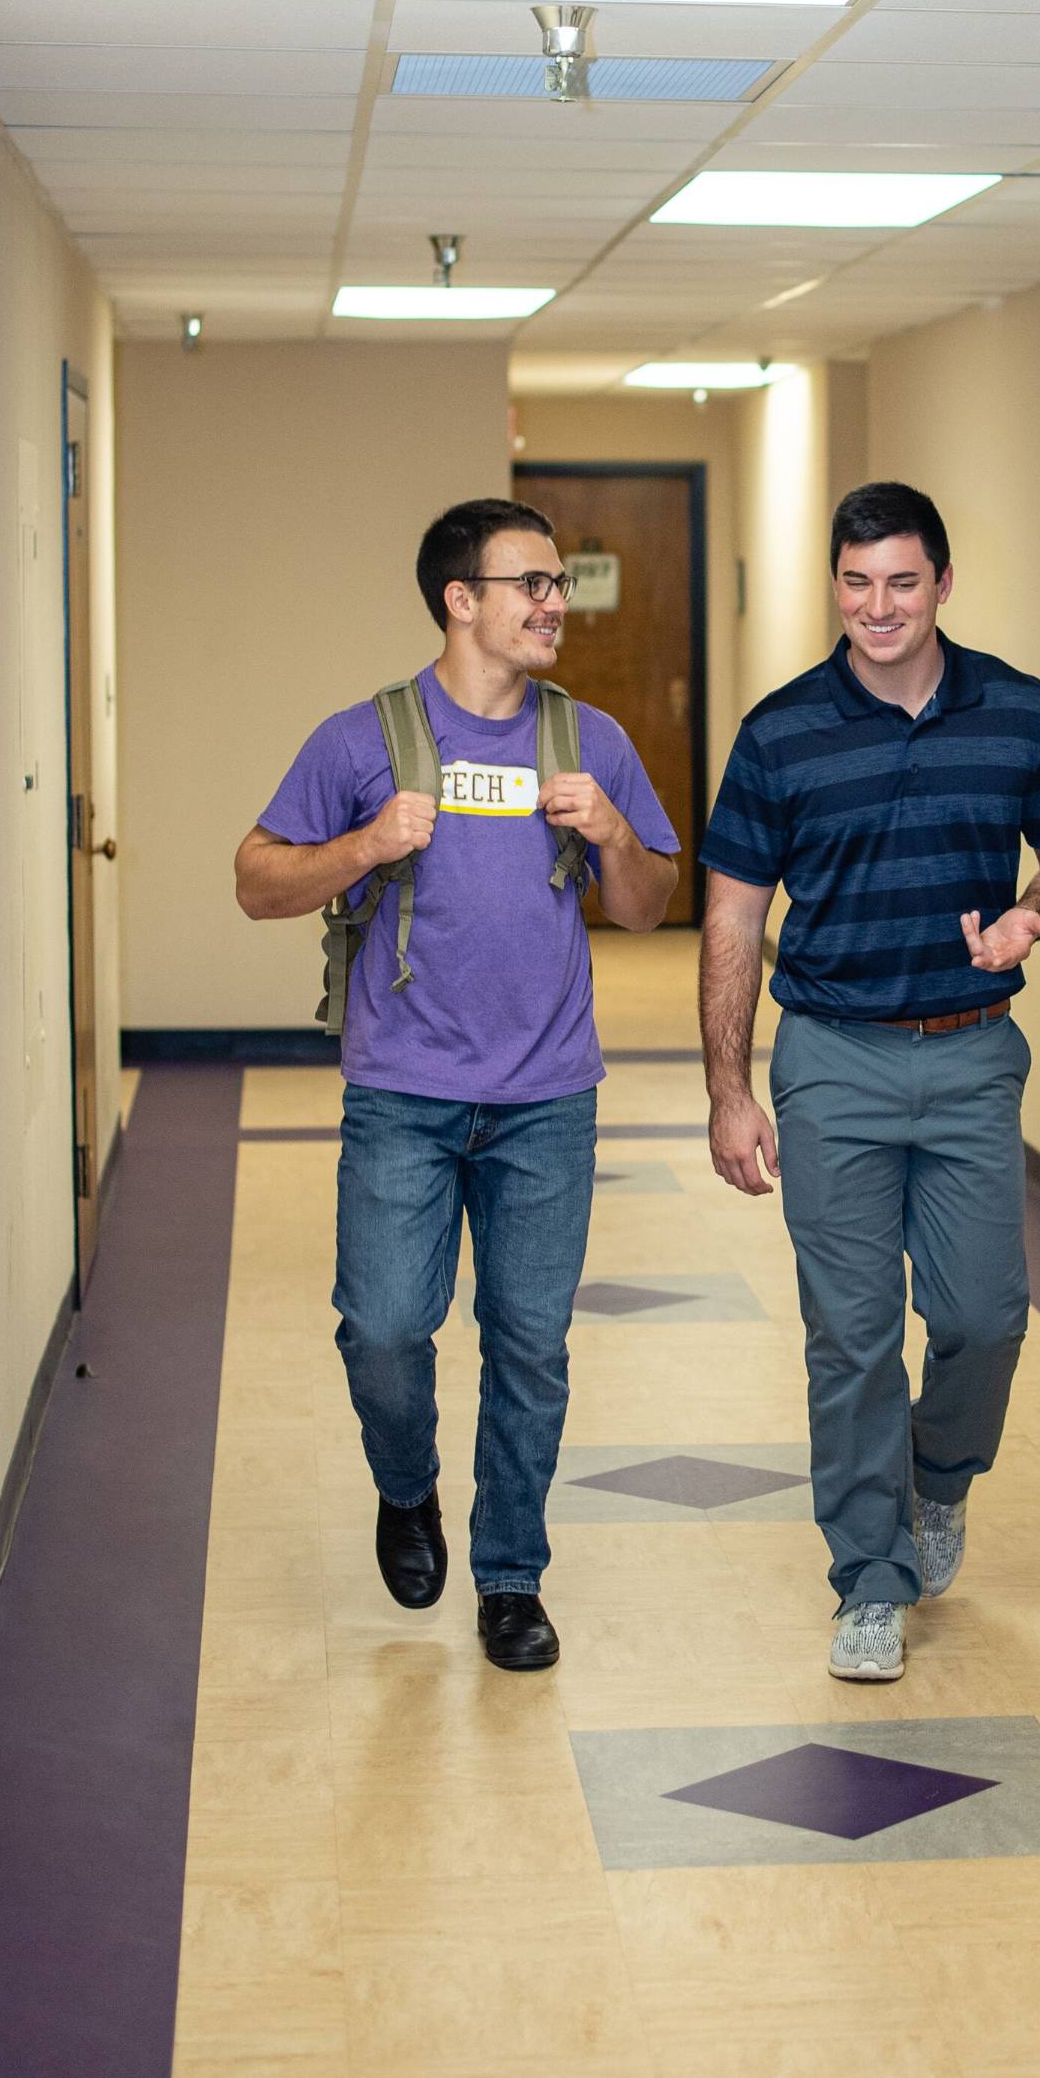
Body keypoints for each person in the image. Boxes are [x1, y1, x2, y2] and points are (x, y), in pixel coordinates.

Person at [234, 499, 678, 1671]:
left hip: (547, 1099)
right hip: (403, 1094)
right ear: (460, 601)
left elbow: (648, 909)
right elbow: (257, 881)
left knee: (528, 1345)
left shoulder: (590, 743)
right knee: (382, 1332)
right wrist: (366, 846)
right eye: (528, 584)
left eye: (555, 587)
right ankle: (406, 1487)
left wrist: (615, 839)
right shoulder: (363, 739)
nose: (551, 605)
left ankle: (512, 1576)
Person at [698, 479, 1040, 1682]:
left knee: (982, 1319)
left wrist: (1035, 915)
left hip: (974, 1051)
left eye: (902, 582)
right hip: (830, 1056)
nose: (877, 607)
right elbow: (731, 912)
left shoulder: (1016, 711)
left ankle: (938, 1479)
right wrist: (728, 1087)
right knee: (852, 1335)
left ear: (941, 583)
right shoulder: (780, 731)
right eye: (856, 582)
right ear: (833, 586)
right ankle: (866, 1579)